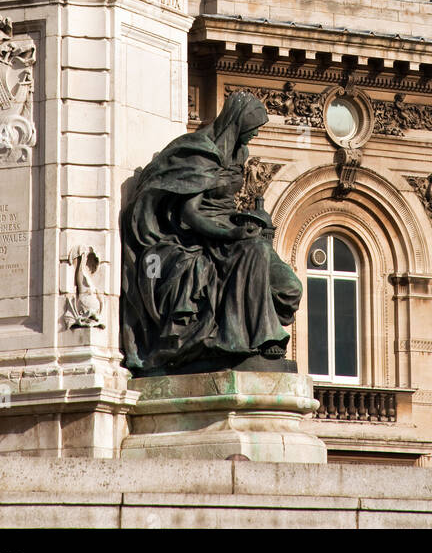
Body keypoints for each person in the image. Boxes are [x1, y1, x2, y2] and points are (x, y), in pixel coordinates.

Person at [121, 92, 302, 374]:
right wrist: (231, 234)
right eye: (252, 129)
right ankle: (249, 341)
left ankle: (254, 337)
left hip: (231, 230)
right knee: (252, 252)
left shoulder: (239, 152)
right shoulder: (201, 152)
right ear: (237, 122)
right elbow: (190, 214)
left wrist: (244, 222)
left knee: (288, 286)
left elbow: (225, 204)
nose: (254, 135)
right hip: (198, 236)